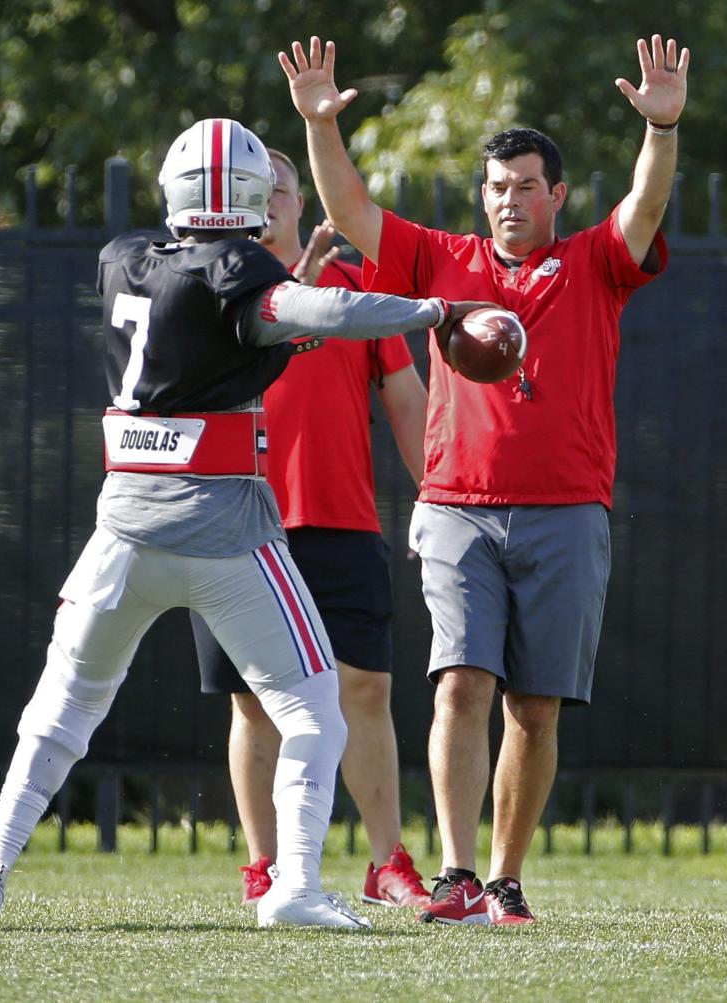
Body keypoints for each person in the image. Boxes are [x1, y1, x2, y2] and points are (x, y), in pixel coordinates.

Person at [0, 117, 490, 929]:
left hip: (122, 533)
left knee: (62, 708)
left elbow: (220, 337)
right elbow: (307, 312)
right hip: (224, 532)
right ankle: (291, 886)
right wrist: (433, 309)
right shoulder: (242, 268)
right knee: (313, 708)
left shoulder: (122, 258)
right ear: (256, 196)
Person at [279, 34, 689, 924]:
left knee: (536, 707)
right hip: (459, 508)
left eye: (528, 186)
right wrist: (320, 125)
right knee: (461, 682)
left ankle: (505, 877)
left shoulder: (592, 262)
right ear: (484, 197)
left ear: (557, 195)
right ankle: (456, 874)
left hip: (568, 511)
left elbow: (645, 210)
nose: (511, 201)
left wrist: (661, 130)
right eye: (498, 188)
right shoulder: (440, 258)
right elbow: (348, 209)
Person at [189, 148, 432, 909]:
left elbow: (404, 395)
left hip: (340, 520)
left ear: (300, 202)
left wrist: (439, 492)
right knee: (254, 701)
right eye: (254, 195)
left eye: (281, 192)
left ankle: (386, 862)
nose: (269, 206)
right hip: (235, 522)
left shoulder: (353, 289)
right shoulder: (205, 291)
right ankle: (264, 867)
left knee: (364, 688)